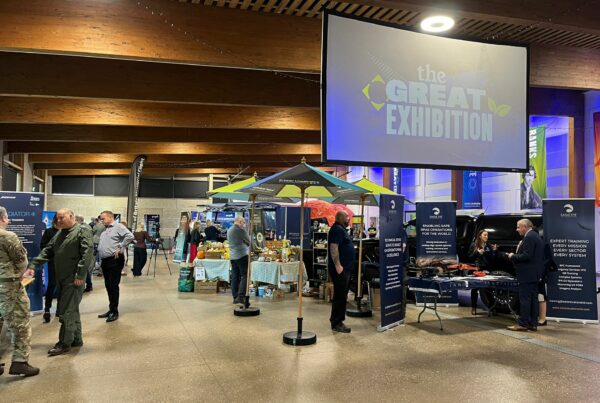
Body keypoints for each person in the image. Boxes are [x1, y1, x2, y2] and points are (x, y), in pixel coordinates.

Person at [26, 208, 93, 356]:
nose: (59, 220)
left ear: (72, 216)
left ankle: (64, 343)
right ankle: (76, 339)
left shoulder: (82, 231)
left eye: (62, 217)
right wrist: (33, 266)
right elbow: (48, 250)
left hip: (74, 279)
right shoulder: (60, 233)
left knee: (66, 311)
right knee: (72, 309)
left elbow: (87, 254)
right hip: (62, 278)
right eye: (58, 218)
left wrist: (80, 275)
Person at [0, 206, 39, 377]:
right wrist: (23, 274)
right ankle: (20, 362)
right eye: (7, 217)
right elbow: (22, 262)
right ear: (3, 218)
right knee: (20, 323)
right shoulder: (8, 236)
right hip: (8, 287)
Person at [507, 219, 544, 332]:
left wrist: (512, 256)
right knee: (533, 300)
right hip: (534, 274)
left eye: (518, 227)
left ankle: (522, 324)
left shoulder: (529, 237)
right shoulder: (535, 235)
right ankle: (532, 324)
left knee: (525, 300)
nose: (517, 229)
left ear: (525, 226)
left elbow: (527, 256)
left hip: (527, 274)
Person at [97, 210, 134, 322]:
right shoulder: (106, 229)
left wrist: (121, 246)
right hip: (105, 261)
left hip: (114, 260)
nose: (101, 221)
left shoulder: (118, 226)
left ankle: (114, 311)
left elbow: (130, 236)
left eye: (103, 218)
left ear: (110, 217)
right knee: (108, 286)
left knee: (113, 286)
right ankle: (111, 309)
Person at [328, 211, 355, 333]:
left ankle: (337, 320)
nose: (348, 218)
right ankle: (337, 322)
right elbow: (334, 247)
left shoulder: (342, 229)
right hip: (340, 269)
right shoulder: (337, 229)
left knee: (342, 295)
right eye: (346, 217)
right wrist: (338, 265)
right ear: (340, 218)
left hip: (345, 268)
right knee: (340, 296)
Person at [467, 230, 497, 315]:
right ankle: (473, 307)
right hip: (476, 270)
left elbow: (492, 259)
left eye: (487, 235)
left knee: (488, 288)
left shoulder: (488, 246)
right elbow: (469, 258)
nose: (486, 237)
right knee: (475, 289)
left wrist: (494, 251)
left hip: (486, 270)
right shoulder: (474, 245)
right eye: (485, 235)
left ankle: (491, 308)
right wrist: (477, 253)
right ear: (480, 236)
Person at [227, 216, 250, 304]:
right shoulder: (240, 231)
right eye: (243, 223)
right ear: (240, 222)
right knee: (245, 275)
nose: (244, 225)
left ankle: (235, 297)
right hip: (241, 256)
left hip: (232, 256)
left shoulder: (229, 230)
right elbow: (249, 241)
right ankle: (241, 296)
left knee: (235, 277)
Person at [41, 216, 59, 323]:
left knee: (62, 286)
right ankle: (47, 309)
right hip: (53, 261)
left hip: (65, 263)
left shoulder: (67, 231)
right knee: (52, 284)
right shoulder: (49, 232)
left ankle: (60, 309)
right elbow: (43, 246)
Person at [75, 215, 94, 292]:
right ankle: (89, 285)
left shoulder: (84, 228)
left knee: (84, 269)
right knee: (85, 270)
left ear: (78, 220)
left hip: (83, 253)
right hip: (83, 252)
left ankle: (88, 285)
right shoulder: (87, 226)